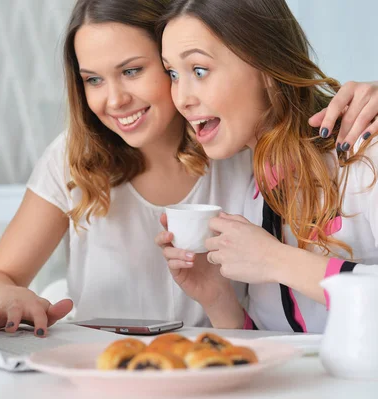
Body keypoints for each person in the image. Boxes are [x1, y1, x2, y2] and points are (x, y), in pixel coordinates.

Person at [0, 0, 255, 337]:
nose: (115, 100)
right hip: (102, 368)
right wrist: (9, 296)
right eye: (93, 80)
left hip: (213, 368)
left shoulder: (238, 149)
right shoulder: (73, 158)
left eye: (131, 71)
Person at [156, 0, 378, 333]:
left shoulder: (363, 153)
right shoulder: (251, 187)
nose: (181, 97)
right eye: (173, 74)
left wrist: (276, 260)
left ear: (267, 70)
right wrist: (217, 298)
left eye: (199, 70)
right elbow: (281, 348)